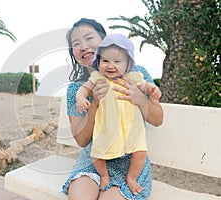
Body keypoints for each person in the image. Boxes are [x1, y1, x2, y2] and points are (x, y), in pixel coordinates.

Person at [62, 18, 163, 200]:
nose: (83, 46)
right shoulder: (76, 90)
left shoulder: (136, 73)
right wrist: (94, 104)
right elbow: (82, 140)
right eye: (76, 44)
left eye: (89, 38)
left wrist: (140, 99)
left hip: (131, 162)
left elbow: (158, 119)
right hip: (95, 159)